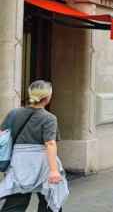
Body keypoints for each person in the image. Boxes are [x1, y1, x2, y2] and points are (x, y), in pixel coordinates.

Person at [0, 80, 68, 212]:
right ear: (47, 97)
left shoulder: (14, 113)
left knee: (16, 200)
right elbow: (50, 143)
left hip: (19, 161)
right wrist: (54, 170)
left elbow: (2, 135)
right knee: (49, 199)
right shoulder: (49, 118)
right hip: (42, 162)